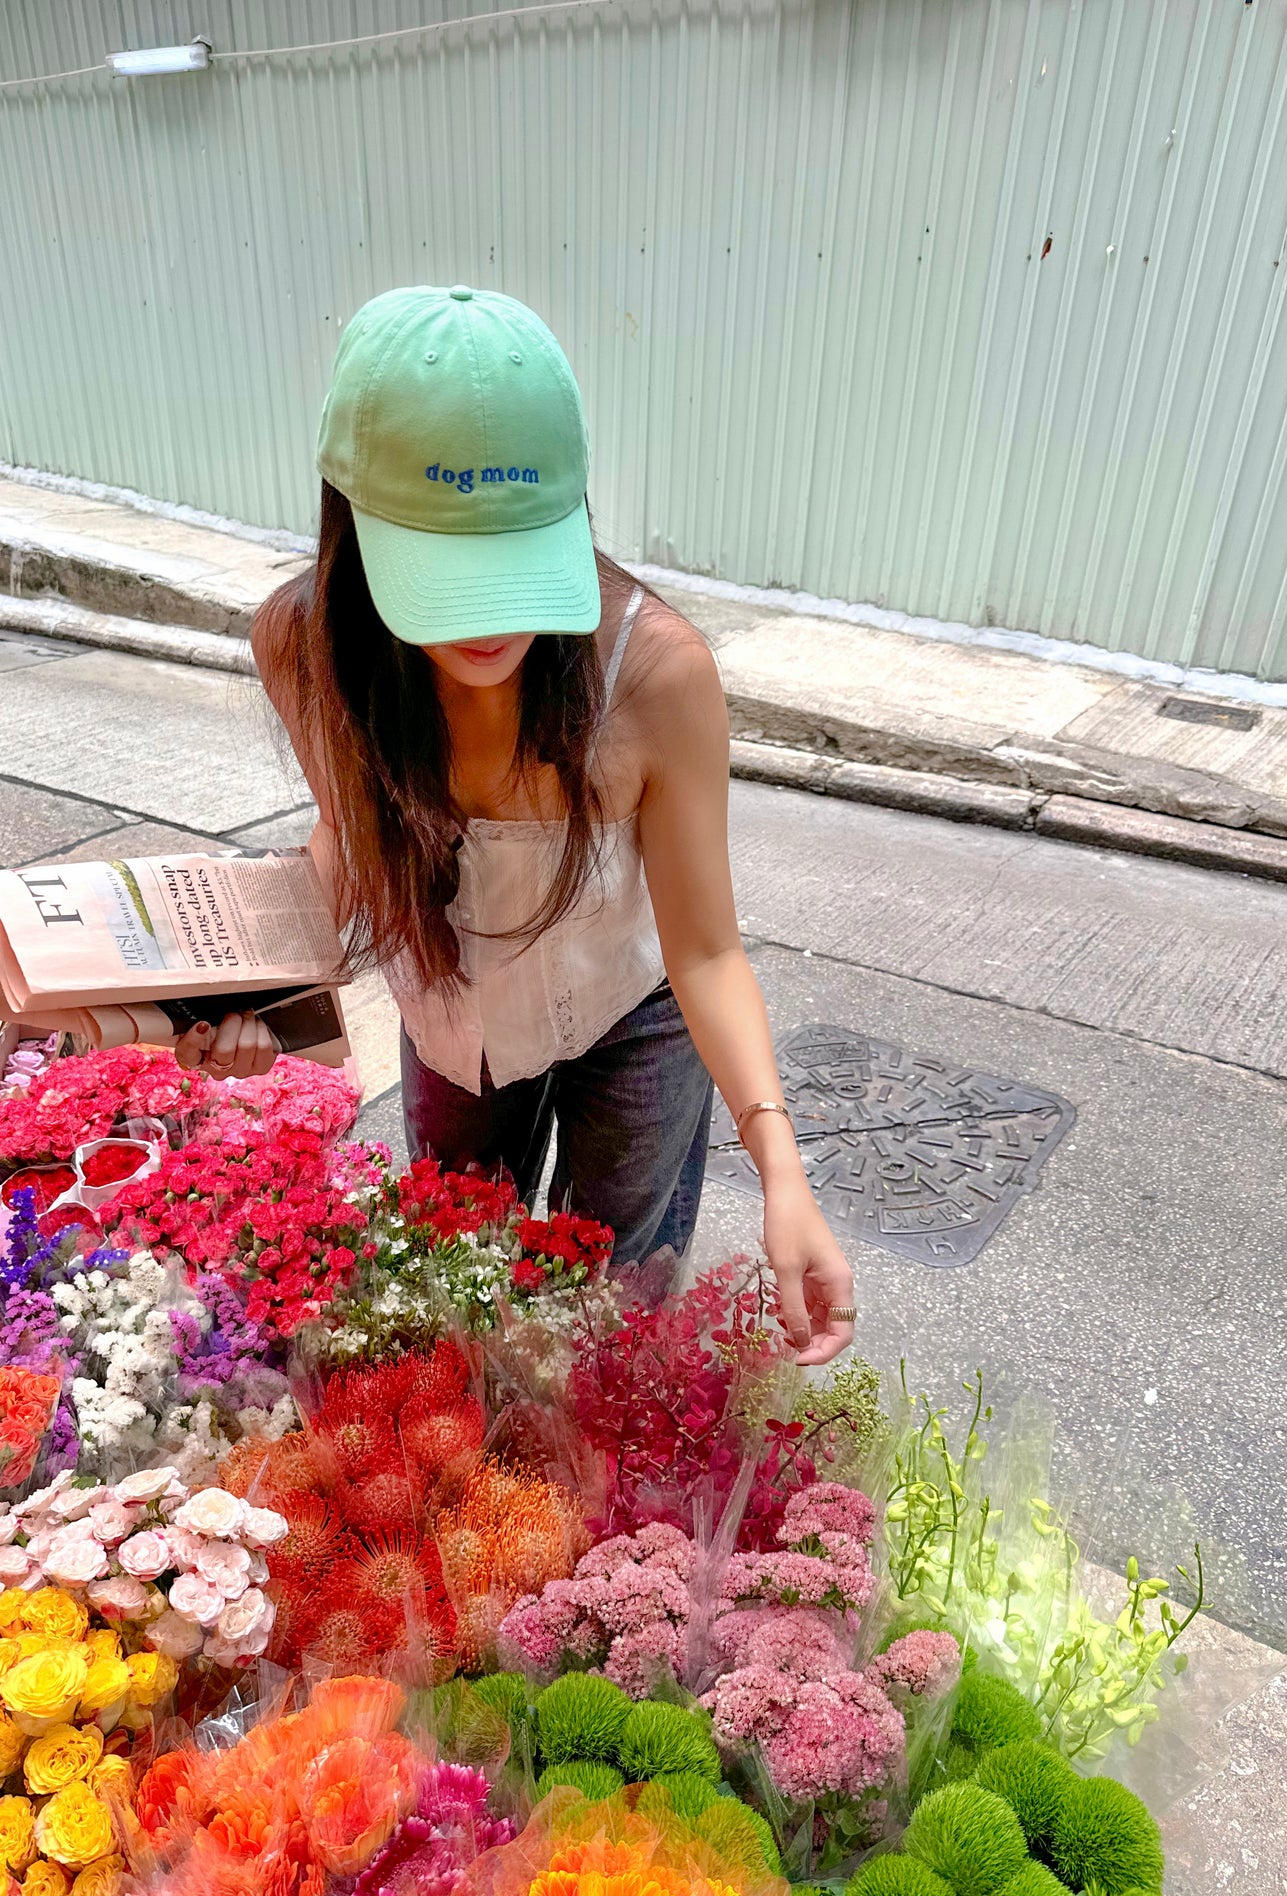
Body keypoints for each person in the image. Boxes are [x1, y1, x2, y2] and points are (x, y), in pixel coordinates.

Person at [180, 284, 855, 1363]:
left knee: (608, 1313)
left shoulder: (652, 675)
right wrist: (250, 1005)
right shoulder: (305, 645)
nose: (496, 621)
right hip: (448, 1011)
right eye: (449, 574)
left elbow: (704, 945)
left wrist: (781, 1167)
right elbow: (346, 850)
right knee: (453, 1287)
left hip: (630, 1013)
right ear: (351, 520)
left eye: (520, 561)